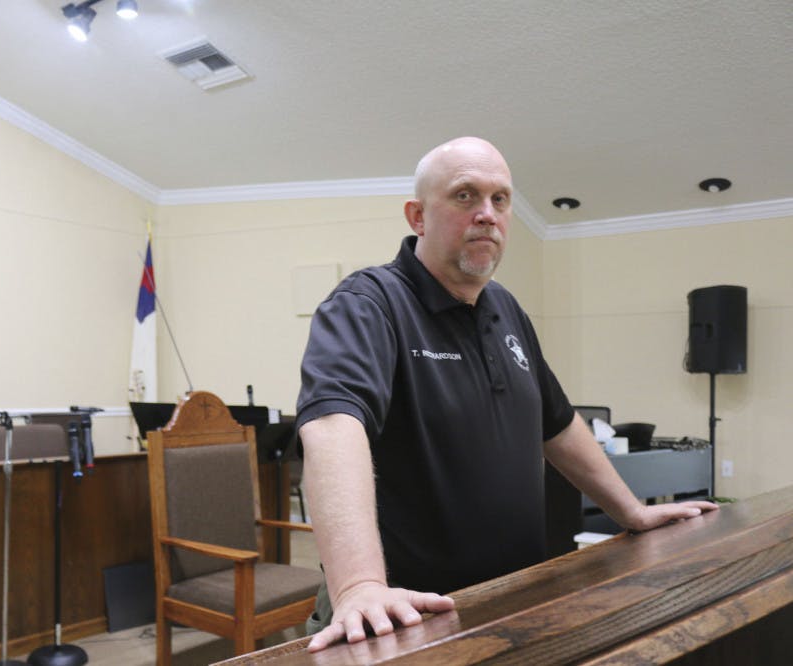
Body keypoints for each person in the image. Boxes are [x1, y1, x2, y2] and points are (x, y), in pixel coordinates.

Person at [294, 136, 718, 652]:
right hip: (404, 614)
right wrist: (359, 586)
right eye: (465, 195)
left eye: (500, 199)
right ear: (418, 216)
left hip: (510, 598)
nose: (487, 214)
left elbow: (557, 423)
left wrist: (631, 512)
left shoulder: (505, 307)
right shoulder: (368, 304)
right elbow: (332, 427)